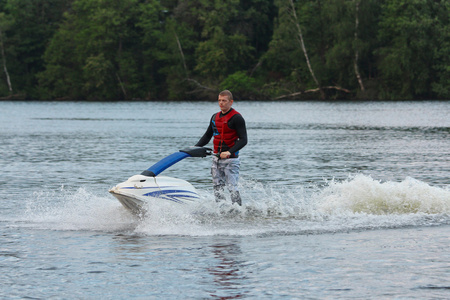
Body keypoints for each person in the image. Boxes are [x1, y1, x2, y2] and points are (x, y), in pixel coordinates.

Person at [195, 90, 247, 205]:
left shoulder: (237, 118)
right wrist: (195, 147)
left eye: (224, 101)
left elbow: (244, 140)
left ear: (231, 102)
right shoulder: (214, 117)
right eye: (219, 100)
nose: (221, 103)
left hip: (231, 159)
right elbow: (208, 135)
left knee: (232, 187)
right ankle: (221, 211)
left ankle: (239, 212)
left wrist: (229, 151)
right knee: (217, 187)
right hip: (216, 158)